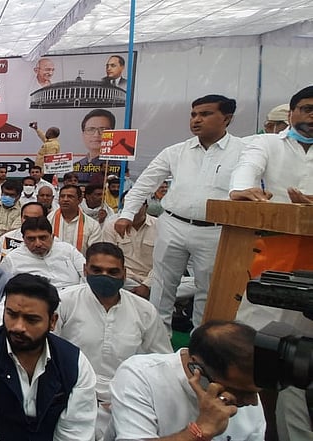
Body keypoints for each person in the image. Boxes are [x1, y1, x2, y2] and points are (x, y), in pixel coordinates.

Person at [115, 95, 245, 331]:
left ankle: (199, 343)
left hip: (215, 230)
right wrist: (126, 213)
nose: (196, 120)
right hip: (174, 224)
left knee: (207, 288)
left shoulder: (244, 151)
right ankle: (157, 339)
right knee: (162, 285)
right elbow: (144, 184)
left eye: (205, 114)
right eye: (193, 114)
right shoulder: (175, 152)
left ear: (226, 118)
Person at [229, 85, 313, 440]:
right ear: (292, 113)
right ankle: (242, 424)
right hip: (273, 256)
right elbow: (247, 169)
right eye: (308, 109)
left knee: (302, 359)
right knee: (255, 346)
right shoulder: (267, 143)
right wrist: (243, 190)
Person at [0, 273, 97, 440]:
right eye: (12, 314)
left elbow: (75, 433)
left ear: (52, 321)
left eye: (31, 319)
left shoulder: (74, 362)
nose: (18, 327)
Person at [55, 242, 171, 439]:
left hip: (126, 399)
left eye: (112, 271)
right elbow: (48, 352)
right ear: (85, 270)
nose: (105, 276)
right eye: (97, 270)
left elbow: (162, 362)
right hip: (71, 394)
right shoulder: (64, 301)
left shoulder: (144, 310)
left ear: (124, 274)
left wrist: (134, 398)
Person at [110, 321, 265, 441]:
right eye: (242, 392)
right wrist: (200, 430)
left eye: (255, 392)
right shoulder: (141, 375)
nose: (253, 402)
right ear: (197, 370)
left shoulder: (245, 387)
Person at [0, 217, 84, 290]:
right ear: (23, 239)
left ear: (52, 236)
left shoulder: (68, 250)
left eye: (43, 238)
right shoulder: (12, 259)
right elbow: (2, 288)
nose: (38, 244)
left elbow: (87, 274)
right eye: (31, 239)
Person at [102, 194, 155, 298]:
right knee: (107, 279)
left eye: (136, 205)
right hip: (126, 279)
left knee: (193, 283)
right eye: (128, 205)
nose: (132, 209)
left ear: (146, 207)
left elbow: (163, 263)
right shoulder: (111, 226)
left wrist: (147, 285)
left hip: (155, 279)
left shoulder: (160, 226)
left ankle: (141, 294)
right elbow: (110, 259)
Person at [48, 185, 101, 255]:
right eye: (62, 196)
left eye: (70, 196)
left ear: (80, 200)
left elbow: (94, 252)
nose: (65, 199)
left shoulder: (92, 225)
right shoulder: (49, 219)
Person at [73, 109, 117, 184]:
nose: (96, 135)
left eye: (103, 129)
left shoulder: (118, 165)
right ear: (83, 134)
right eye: (90, 129)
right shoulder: (77, 166)